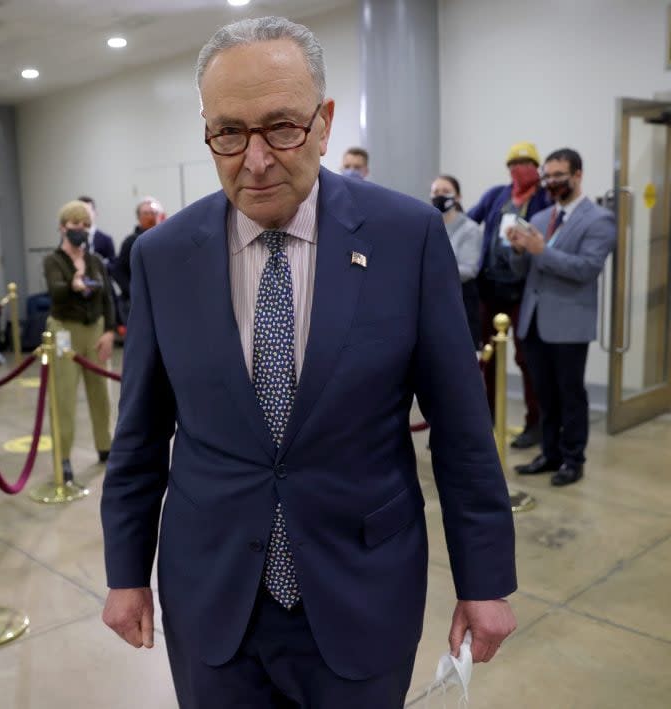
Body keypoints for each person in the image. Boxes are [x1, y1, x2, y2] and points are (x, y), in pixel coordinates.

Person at [100, 17, 517, 708]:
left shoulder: (405, 237)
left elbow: (462, 427)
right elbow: (140, 436)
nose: (255, 159)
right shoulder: (163, 256)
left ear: (323, 123)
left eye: (282, 127)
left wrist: (484, 579)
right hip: (212, 590)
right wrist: (124, 571)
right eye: (229, 132)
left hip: (362, 585)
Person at [509, 149, 615, 487]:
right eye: (548, 176)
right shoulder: (539, 218)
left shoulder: (599, 219)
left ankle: (573, 460)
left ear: (578, 174)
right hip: (534, 320)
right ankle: (550, 453)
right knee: (544, 393)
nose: (552, 183)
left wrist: (542, 251)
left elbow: (586, 269)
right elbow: (522, 271)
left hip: (569, 324)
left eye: (559, 176)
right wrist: (517, 250)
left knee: (570, 394)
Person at [468, 142, 551, 449]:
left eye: (526, 162)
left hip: (525, 291)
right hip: (489, 288)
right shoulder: (496, 196)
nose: (520, 168)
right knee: (487, 357)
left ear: (537, 167)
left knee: (527, 358)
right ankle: (487, 419)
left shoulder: (544, 199)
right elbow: (469, 219)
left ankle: (536, 423)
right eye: (514, 163)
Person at [42, 200, 116, 480]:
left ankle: (105, 445)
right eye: (75, 225)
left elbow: (108, 297)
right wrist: (72, 284)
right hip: (64, 331)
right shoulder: (53, 261)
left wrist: (109, 331)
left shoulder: (95, 261)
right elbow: (55, 291)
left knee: (101, 393)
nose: (81, 230)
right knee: (64, 397)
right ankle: (63, 457)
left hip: (94, 330)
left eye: (86, 225)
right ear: (62, 228)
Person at [430, 175, 484, 349]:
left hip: (461, 301)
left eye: (446, 191)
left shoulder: (470, 228)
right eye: (436, 191)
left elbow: (469, 270)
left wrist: (432, 271)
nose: (440, 195)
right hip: (432, 301)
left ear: (458, 197)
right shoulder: (428, 225)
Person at [110, 197, 161, 326]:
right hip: (137, 302)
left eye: (153, 213)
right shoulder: (131, 242)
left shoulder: (165, 239)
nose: (150, 216)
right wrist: (132, 292)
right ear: (139, 217)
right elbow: (118, 270)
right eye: (146, 213)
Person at [77, 195, 117, 264]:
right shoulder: (70, 237)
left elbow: (113, 266)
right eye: (81, 212)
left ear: (95, 213)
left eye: (87, 211)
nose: (85, 215)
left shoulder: (106, 240)